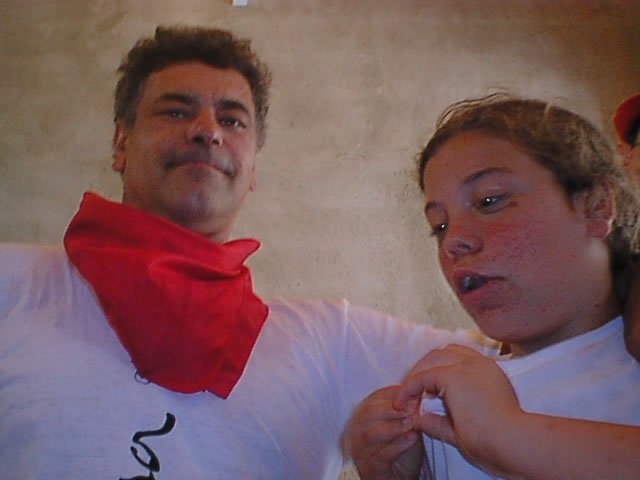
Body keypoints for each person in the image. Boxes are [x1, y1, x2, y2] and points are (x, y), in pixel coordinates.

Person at [0, 26, 485, 479]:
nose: (207, 131)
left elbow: (514, 361)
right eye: (175, 111)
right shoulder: (11, 283)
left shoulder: (332, 344)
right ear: (120, 141)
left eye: (232, 120)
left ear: (252, 168)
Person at [346, 94, 640, 479]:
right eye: (439, 226)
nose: (453, 241)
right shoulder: (447, 400)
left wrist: (509, 433)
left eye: (489, 201)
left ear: (596, 206)